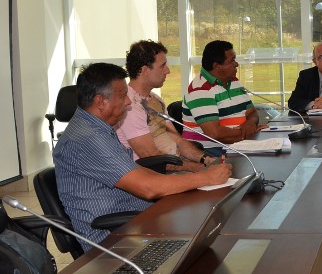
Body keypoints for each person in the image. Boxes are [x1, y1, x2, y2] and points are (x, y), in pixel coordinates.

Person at [53, 63, 232, 250]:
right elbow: (147, 188)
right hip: (114, 241)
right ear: (100, 102)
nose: (128, 102)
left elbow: (135, 170)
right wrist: (205, 178)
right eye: (123, 96)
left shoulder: (96, 127)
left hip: (137, 222)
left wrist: (190, 179)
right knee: (205, 243)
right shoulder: (88, 138)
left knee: (203, 228)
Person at [117, 40, 214, 172]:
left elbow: (177, 139)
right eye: (162, 66)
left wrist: (205, 160)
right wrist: (197, 169)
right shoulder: (130, 106)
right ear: (145, 70)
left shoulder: (155, 100)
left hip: (175, 166)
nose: (167, 71)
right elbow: (151, 157)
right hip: (154, 174)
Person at [182, 40, 265, 147]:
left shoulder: (234, 81)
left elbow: (252, 113)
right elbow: (214, 134)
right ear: (217, 66)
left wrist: (250, 124)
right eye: (232, 61)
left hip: (239, 144)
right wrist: (248, 134)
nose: (236, 64)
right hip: (210, 152)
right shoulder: (200, 90)